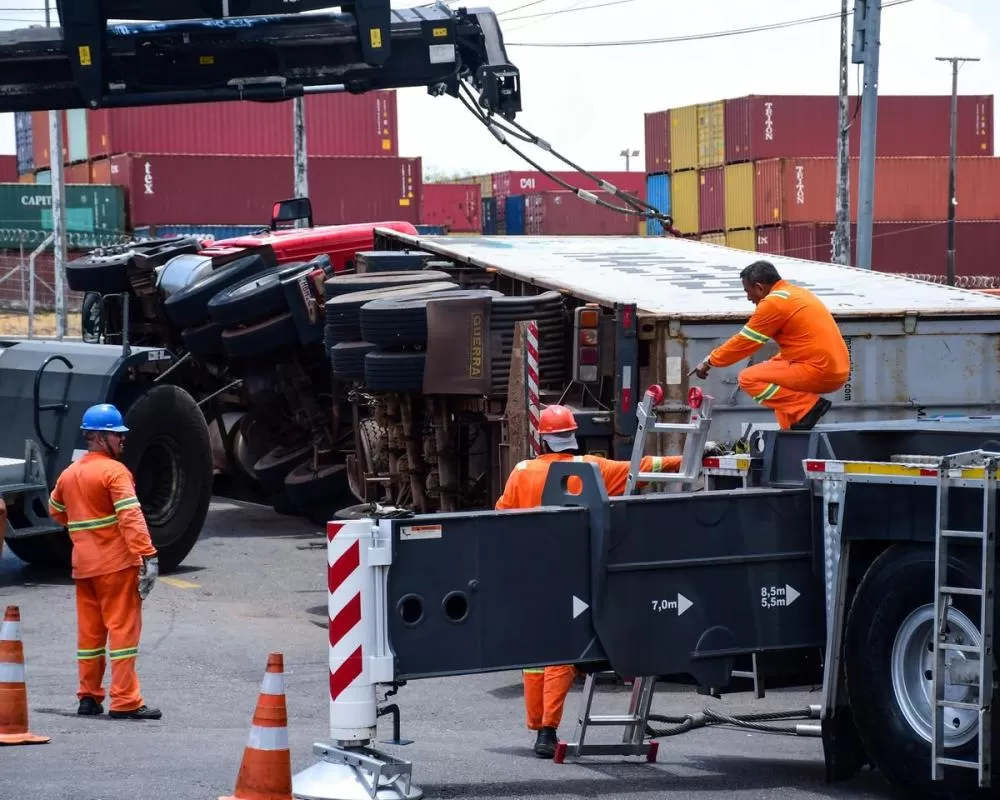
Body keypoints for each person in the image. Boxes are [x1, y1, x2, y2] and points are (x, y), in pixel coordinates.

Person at [495, 404, 685, 758]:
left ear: (543, 439)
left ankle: (538, 725)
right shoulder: (591, 468)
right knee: (561, 654)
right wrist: (689, 457)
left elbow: (502, 519)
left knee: (534, 655)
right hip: (574, 573)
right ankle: (547, 730)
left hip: (531, 574)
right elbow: (642, 468)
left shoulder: (521, 471)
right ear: (572, 436)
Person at [47, 403, 162, 720]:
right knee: (123, 635)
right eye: (116, 435)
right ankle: (125, 701)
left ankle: (88, 697)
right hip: (116, 566)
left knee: (90, 637)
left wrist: (84, 525)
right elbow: (131, 517)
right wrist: (148, 554)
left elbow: (55, 509)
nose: (122, 441)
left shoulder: (70, 473)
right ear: (99, 437)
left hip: (84, 568)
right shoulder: (115, 472)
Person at [693, 260, 850, 431]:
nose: (748, 297)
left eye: (748, 291)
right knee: (773, 375)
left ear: (759, 287)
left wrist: (709, 361)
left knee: (749, 378)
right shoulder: (797, 294)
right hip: (834, 368)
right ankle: (791, 432)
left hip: (819, 369)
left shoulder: (773, 303)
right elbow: (803, 344)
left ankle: (807, 407)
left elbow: (744, 342)